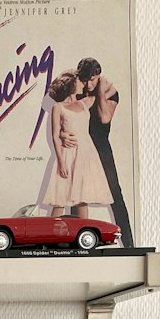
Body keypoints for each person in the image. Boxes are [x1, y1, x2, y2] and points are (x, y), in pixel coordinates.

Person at [74, 57, 134, 248]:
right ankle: (79, 244)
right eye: (85, 80)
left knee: (115, 194)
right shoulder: (77, 90)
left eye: (92, 80)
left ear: (99, 77)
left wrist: (99, 91)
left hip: (101, 147)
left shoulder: (110, 92)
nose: (88, 84)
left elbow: (105, 118)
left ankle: (129, 244)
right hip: (80, 146)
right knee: (76, 195)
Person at [37, 70, 113, 219]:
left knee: (82, 199)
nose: (83, 84)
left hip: (86, 155)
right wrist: (61, 162)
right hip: (68, 155)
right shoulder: (58, 107)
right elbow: (54, 135)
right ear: (71, 85)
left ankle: (83, 235)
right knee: (60, 200)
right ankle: (50, 237)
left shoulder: (84, 103)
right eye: (79, 81)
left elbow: (102, 87)